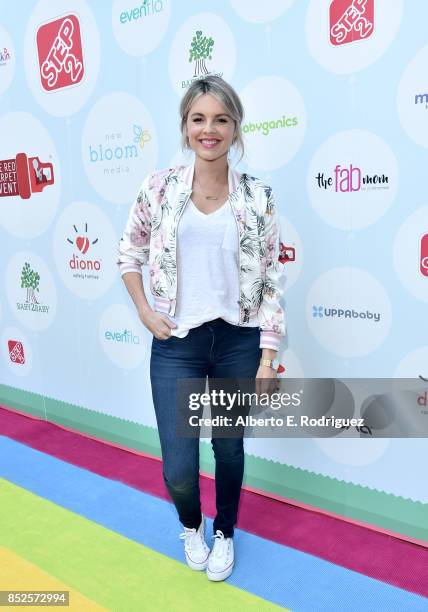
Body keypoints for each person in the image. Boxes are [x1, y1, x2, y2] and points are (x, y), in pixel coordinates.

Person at [117, 75, 285, 582]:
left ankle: (226, 532)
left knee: (229, 447)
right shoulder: (159, 188)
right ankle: (192, 525)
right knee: (178, 468)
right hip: (177, 345)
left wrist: (268, 356)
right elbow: (130, 252)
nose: (208, 129)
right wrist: (146, 311)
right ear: (185, 127)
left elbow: (273, 277)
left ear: (235, 129)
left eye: (220, 119)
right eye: (198, 119)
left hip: (237, 341)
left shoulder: (258, 196)